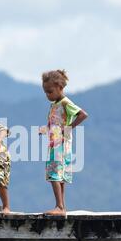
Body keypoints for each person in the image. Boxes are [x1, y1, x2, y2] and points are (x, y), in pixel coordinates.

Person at [40, 70, 88, 216]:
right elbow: (56, 121)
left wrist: (68, 129)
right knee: (59, 174)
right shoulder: (55, 104)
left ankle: (59, 206)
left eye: (50, 91)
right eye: (45, 92)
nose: (48, 95)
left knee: (54, 172)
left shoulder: (66, 102)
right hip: (56, 142)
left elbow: (83, 114)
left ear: (60, 87)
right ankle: (61, 207)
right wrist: (46, 129)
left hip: (60, 144)